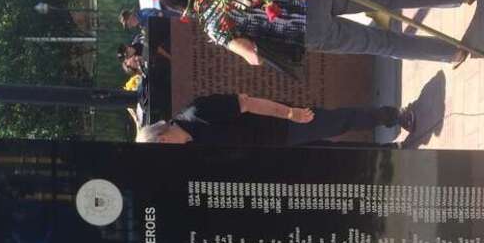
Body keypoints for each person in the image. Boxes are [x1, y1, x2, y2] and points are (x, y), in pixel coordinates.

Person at [201, 0, 477, 67]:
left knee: (382, 42)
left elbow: (252, 55)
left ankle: (451, 52)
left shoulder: (214, 22)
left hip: (304, 30)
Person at [135, 92, 416, 146]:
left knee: (337, 122)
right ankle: (392, 153)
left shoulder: (197, 113)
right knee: (332, 154)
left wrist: (290, 113)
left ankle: (393, 115)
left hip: (282, 126)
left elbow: (246, 103)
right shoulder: (189, 150)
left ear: (161, 138)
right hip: (273, 154)